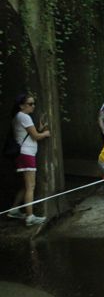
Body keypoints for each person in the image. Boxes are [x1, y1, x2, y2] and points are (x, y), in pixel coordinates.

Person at [7, 94, 51, 226]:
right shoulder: (24, 117)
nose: (33, 106)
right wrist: (45, 133)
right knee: (30, 186)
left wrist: (40, 129)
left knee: (25, 186)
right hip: (27, 155)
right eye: (30, 104)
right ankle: (30, 217)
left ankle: (14, 210)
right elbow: (36, 136)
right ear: (21, 105)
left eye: (34, 103)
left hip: (24, 154)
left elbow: (30, 134)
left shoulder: (18, 117)